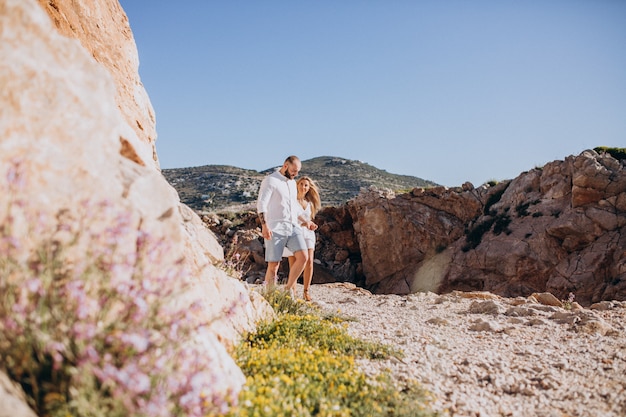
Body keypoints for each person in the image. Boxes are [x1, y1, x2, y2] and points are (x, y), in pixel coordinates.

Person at [256, 156, 318, 297]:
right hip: (275, 227)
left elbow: (294, 209)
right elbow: (261, 204)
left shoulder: (291, 183)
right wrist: (264, 225)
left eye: (297, 172)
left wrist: (306, 221)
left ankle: (287, 289)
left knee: (304, 257)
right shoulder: (271, 180)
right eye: (293, 171)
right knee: (274, 266)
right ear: (285, 165)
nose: (295, 174)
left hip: (293, 226)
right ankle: (269, 297)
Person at [284, 176, 321, 301]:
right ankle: (292, 290)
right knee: (294, 263)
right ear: (297, 185)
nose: (303, 187)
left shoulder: (309, 204)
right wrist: (304, 223)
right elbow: (290, 219)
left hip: (308, 234)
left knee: (309, 262)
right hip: (294, 233)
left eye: (306, 185)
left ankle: (306, 291)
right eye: (301, 184)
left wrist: (311, 224)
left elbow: (309, 219)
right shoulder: (291, 200)